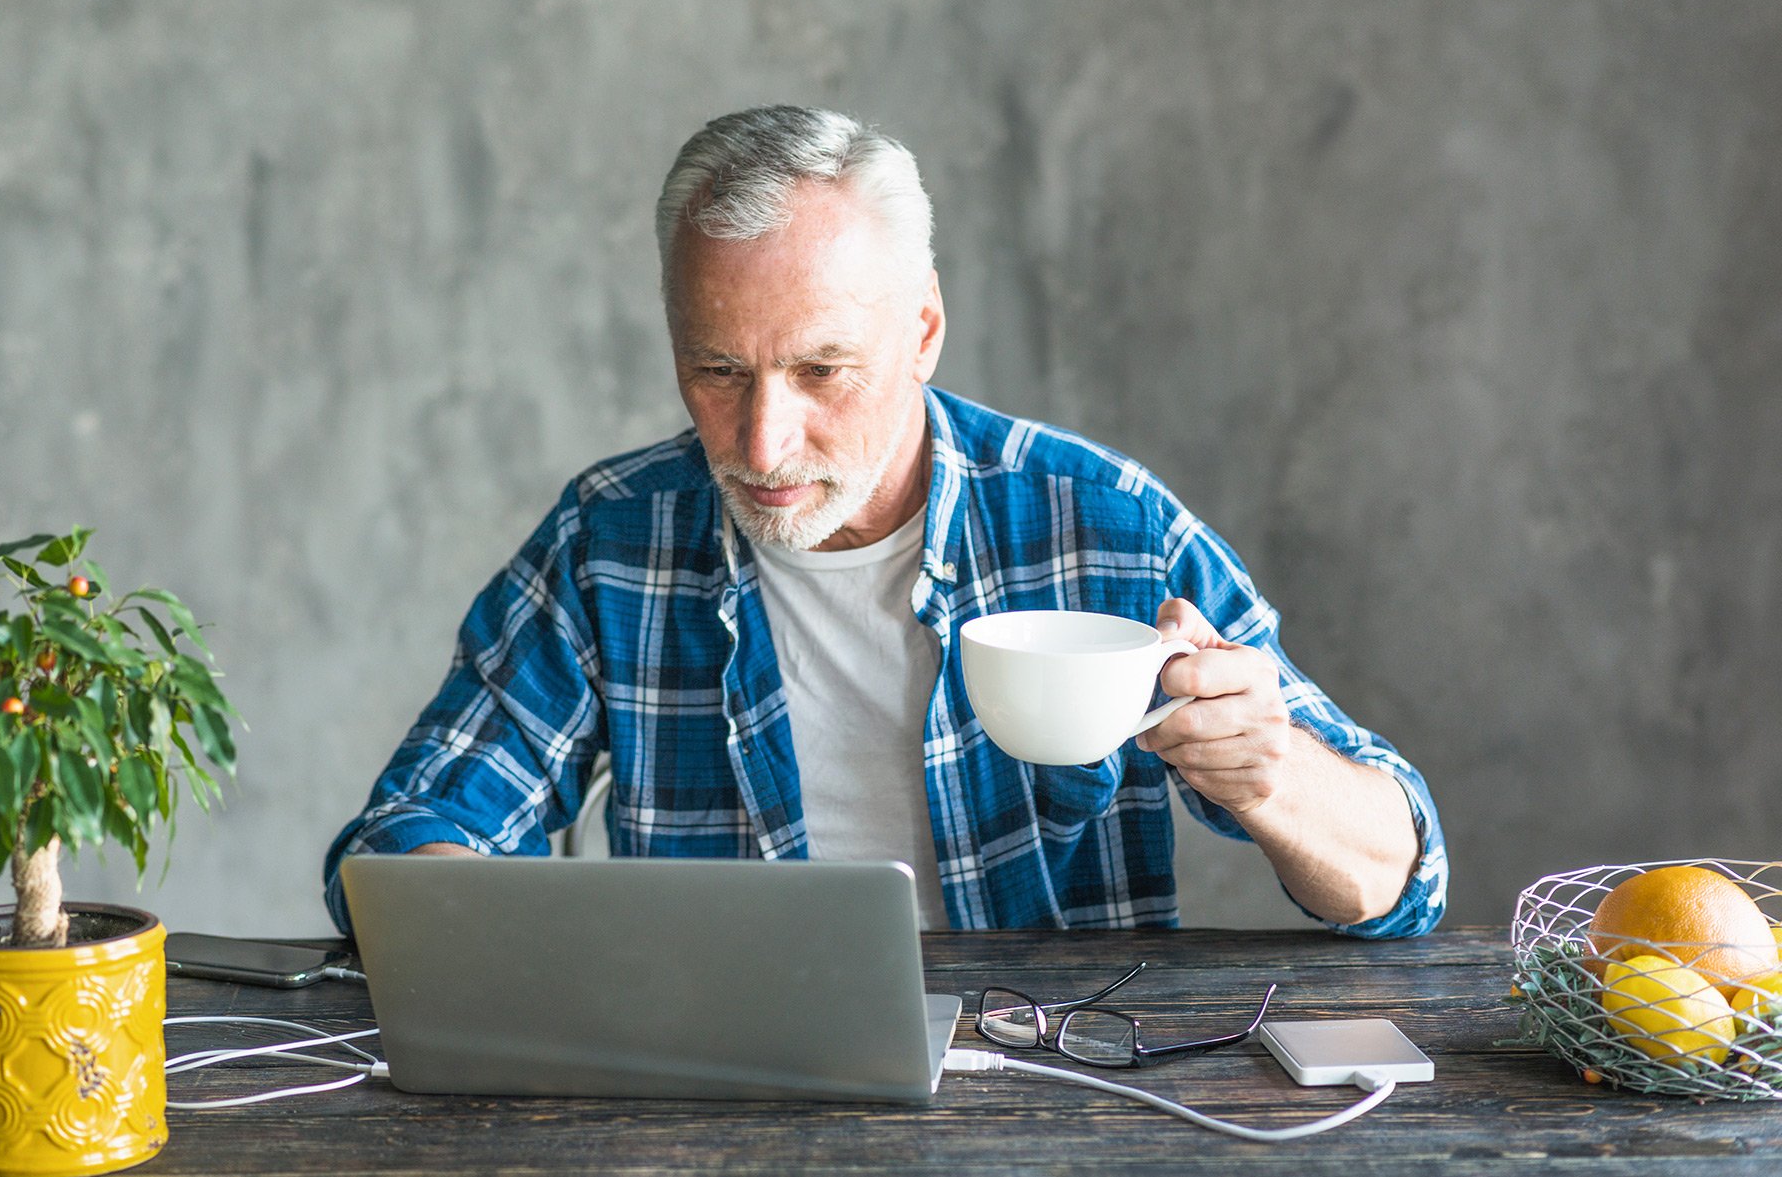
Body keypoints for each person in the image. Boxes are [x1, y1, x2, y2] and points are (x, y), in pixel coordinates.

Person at [323, 106, 1446, 937]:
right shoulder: (614, 539)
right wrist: (464, 896)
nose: (762, 446)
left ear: (922, 333)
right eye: (717, 371)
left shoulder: (1103, 525)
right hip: (717, 1106)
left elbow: (1410, 878)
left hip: (1054, 1108)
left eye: (823, 370)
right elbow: (399, 846)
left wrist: (1270, 775)